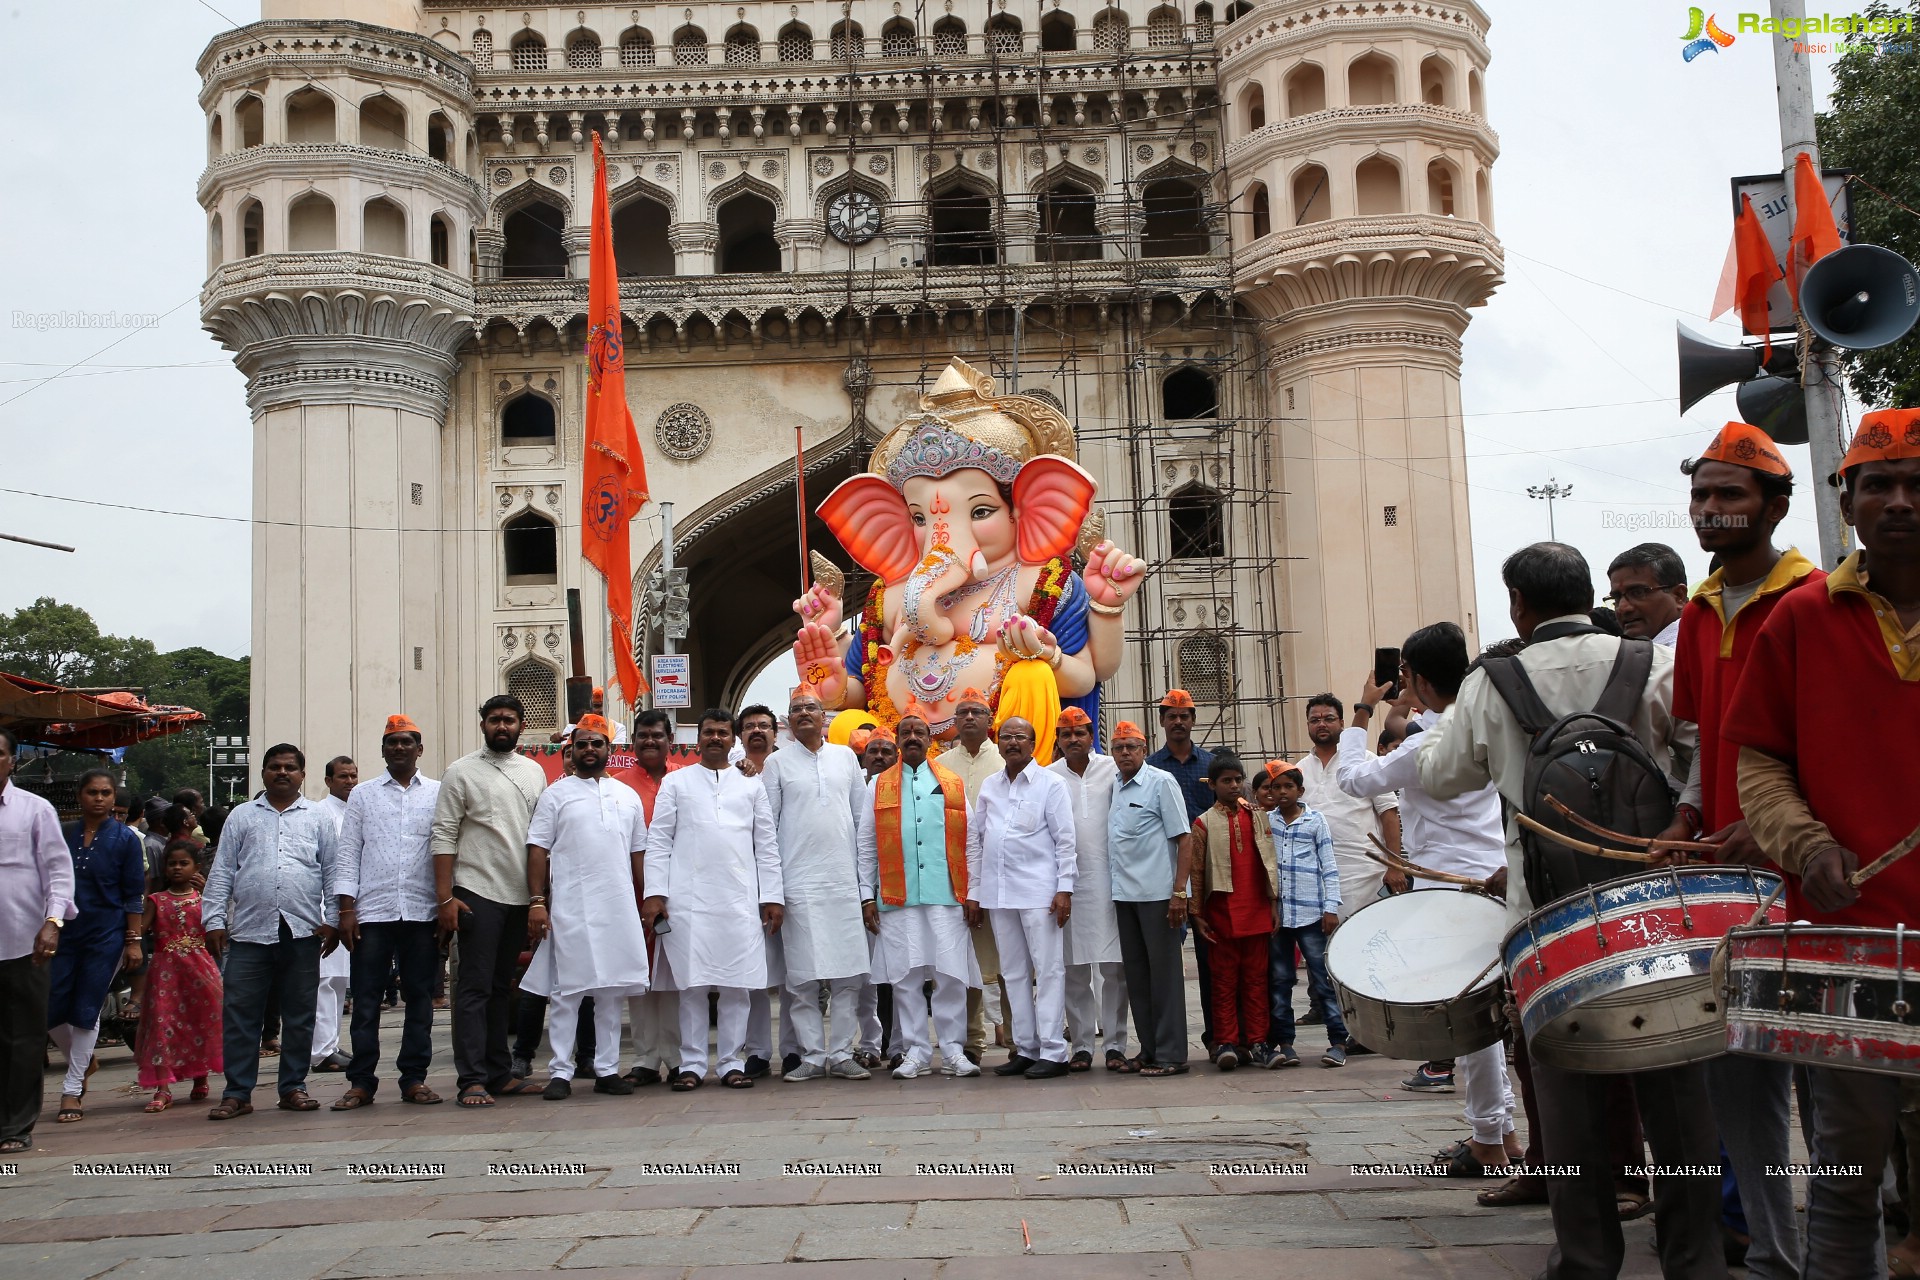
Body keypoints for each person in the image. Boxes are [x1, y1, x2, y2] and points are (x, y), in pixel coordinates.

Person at [1418, 541, 1714, 1280]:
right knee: (1675, 1084)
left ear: (1519, 603)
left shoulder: (1493, 681)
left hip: (1549, 921)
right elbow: (1708, 746)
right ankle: (1694, 1259)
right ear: (1592, 594)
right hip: (1652, 905)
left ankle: (1585, 1260)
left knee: (1568, 1086)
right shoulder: (1651, 664)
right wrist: (1683, 818)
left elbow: (1444, 775)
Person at [1725, 409, 1920, 1280]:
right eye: (1878, 483)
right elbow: (1759, 762)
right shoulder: (1801, 618)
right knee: (1847, 1173)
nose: (1900, 501)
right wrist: (1805, 846)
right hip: (1852, 939)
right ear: (1847, 498)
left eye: (1918, 484)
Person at [1653, 421, 1817, 1278]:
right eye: (1702, 496)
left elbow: (1831, 753)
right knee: (1740, 1083)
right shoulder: (1699, 610)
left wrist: (1773, 825)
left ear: (1776, 506)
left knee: (1828, 1097)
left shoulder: (1815, 601)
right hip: (1726, 888)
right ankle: (1773, 1259)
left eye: (1731, 495)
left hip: (1817, 885)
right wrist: (1686, 819)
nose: (1712, 511)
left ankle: (1832, 1258)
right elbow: (1697, 745)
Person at [1338, 623, 1517, 1170]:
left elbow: (1351, 779)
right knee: (1498, 1016)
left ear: (1413, 677)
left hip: (1449, 892)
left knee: (1475, 1024)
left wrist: (1362, 712)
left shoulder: (1423, 746)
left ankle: (1489, 1136)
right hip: (1503, 880)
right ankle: (1503, 1133)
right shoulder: (1492, 727)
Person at [643, 708, 783, 1090]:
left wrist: (772, 897)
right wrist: (655, 894)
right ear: (698, 738)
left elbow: (766, 845)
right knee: (693, 986)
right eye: (709, 732)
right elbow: (659, 840)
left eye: (723, 732)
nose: (715, 738)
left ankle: (730, 1063)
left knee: (737, 985)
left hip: (739, 899)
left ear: (732, 738)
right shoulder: (678, 783)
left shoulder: (750, 785)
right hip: (689, 901)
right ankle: (690, 1065)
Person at [202, 744, 341, 1120]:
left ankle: (293, 1087)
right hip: (248, 932)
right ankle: (237, 1093)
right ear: (262, 772)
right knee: (240, 1015)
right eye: (275, 767)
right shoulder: (241, 816)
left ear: (302, 774)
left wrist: (334, 919)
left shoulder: (317, 817)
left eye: (290, 768)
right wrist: (213, 920)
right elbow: (223, 871)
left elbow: (332, 871)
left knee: (299, 1015)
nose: (282, 773)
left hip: (302, 930)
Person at [520, 715, 651, 1099]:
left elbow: (638, 852)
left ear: (609, 750)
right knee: (566, 992)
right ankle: (560, 1071)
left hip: (618, 907)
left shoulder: (625, 796)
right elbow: (537, 850)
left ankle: (607, 1069)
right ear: (571, 751)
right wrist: (537, 902)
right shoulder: (556, 795)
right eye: (582, 744)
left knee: (611, 991)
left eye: (597, 743)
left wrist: (645, 900)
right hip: (571, 908)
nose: (589, 750)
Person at [857, 701, 982, 1079]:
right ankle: (914, 1051)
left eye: (919, 732)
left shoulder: (951, 782)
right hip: (898, 896)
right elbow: (865, 843)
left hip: (947, 895)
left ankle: (955, 1050)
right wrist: (866, 894)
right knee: (905, 977)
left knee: (950, 974)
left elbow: (971, 842)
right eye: (906, 732)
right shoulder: (879, 784)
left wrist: (973, 891)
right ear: (896, 741)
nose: (912, 737)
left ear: (930, 740)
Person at [433, 695, 547, 1105]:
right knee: (474, 987)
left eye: (510, 720)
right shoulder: (460, 771)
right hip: (476, 891)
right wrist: (445, 898)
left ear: (521, 725)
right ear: (482, 724)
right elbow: (443, 835)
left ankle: (500, 1073)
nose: (502, 727)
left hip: (520, 896)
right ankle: (472, 1079)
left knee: (502, 987)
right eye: (495, 720)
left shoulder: (534, 772)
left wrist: (539, 897)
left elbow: (541, 838)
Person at [759, 685, 872, 1082]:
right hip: (799, 885)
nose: (804, 712)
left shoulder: (845, 759)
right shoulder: (776, 764)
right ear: (788, 721)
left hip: (843, 884)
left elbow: (863, 826)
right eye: (796, 709)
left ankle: (841, 1053)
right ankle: (811, 1054)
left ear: (825, 717)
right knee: (802, 978)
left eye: (811, 707)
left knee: (848, 976)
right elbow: (766, 831)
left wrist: (866, 889)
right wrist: (772, 892)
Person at [332, 716, 443, 1111]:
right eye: (392, 742)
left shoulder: (438, 792)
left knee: (419, 998)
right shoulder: (362, 795)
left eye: (406, 742)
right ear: (383, 749)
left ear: (419, 749)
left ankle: (414, 1078)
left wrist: (444, 905)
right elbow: (348, 853)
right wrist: (346, 909)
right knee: (365, 1001)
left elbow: (446, 850)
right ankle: (361, 1082)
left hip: (421, 910)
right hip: (372, 913)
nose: (399, 748)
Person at [966, 716, 1077, 1079]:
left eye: (1020, 737)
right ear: (998, 742)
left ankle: (1054, 1051)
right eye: (1007, 737)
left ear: (1033, 743)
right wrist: (977, 892)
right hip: (999, 895)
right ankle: (1026, 1049)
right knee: (1012, 973)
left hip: (1040, 894)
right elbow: (978, 842)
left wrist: (1064, 889)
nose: (1013, 743)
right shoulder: (990, 786)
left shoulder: (1051, 784)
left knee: (1047, 971)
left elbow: (1065, 841)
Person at [48, 768, 146, 1123]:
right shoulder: (63, 834)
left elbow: (134, 894)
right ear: (80, 795)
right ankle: (83, 1058)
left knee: (87, 1006)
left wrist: (133, 941)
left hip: (107, 934)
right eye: (92, 792)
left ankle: (72, 1090)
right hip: (65, 931)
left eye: (106, 793)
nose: (100, 798)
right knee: (51, 1006)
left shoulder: (124, 840)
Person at [1105, 721, 1194, 1076]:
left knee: (1165, 977)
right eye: (1118, 747)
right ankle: (1149, 1048)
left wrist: (1179, 893)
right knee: (1138, 977)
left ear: (1144, 750)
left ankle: (1172, 1054)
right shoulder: (1115, 785)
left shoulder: (1161, 782)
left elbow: (1183, 839)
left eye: (1131, 746)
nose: (1125, 753)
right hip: (1124, 896)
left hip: (1159, 896)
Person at [0, 725, 72, 1153]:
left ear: (11, 759)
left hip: (24, 943)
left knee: (22, 1037)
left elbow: (59, 873)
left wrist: (53, 922)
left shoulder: (34, 809)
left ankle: (14, 1126)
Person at [1048, 706, 1128, 1072]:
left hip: (1110, 883)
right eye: (1067, 734)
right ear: (1058, 741)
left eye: (1080, 732)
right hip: (1065, 886)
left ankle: (1114, 1045)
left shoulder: (1113, 770)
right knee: (1073, 968)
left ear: (1091, 735)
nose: (1074, 739)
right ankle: (1081, 1045)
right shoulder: (1047, 777)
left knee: (1114, 969)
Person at [1188, 756, 1275, 1070]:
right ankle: (1225, 1041)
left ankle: (1259, 1043)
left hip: (1256, 912)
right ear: (1212, 785)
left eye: (1238, 779)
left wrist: (1274, 905)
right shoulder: (1203, 823)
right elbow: (1195, 872)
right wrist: (1196, 913)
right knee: (1223, 982)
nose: (1234, 785)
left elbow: (1270, 866)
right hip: (1220, 915)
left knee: (1256, 981)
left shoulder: (1258, 818)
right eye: (1226, 780)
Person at [1262, 766, 1349, 1068]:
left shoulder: (1315, 821)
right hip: (1279, 917)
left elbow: (1329, 865)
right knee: (1281, 979)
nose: (1282, 792)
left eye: (1288, 787)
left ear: (1300, 791)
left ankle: (1338, 1042)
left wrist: (1331, 908)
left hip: (1312, 914)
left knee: (1322, 979)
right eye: (1277, 788)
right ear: (1270, 793)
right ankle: (1285, 1043)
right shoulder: (1266, 822)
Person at [1146, 689, 1218, 1048]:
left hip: (1208, 874)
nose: (1178, 722)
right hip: (1166, 872)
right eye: (1171, 715)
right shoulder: (1151, 768)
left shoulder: (1213, 765)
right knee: (1166, 960)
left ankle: (1217, 1037)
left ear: (1193, 720)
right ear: (1161, 721)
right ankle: (1167, 1039)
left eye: (1184, 715)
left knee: (1212, 959)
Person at [1296, 694, 1402, 918]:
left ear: (1342, 723)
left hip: (1364, 874)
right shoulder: (1299, 771)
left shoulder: (1364, 760)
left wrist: (1395, 865)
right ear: (1308, 725)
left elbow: (1389, 813)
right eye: (1314, 720)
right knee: (1325, 949)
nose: (1321, 724)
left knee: (1366, 941)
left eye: (1329, 718)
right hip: (1316, 877)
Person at [135, 840, 221, 1112]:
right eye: (172, 863)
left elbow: (219, 927)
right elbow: (139, 932)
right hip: (165, 975)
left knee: (200, 1022)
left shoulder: (204, 898)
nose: (176, 868)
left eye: (183, 863)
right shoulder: (156, 901)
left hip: (200, 971)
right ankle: (163, 1087)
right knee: (163, 1025)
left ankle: (200, 1076)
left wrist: (210, 893)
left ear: (196, 867)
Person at [943, 688, 1007, 1059]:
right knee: (965, 961)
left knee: (1009, 961)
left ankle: (1017, 1040)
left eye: (977, 712)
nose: (969, 718)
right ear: (954, 721)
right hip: (956, 877)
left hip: (1002, 876)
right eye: (963, 712)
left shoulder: (1006, 760)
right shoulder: (941, 765)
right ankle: (971, 1042)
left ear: (989, 721)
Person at [621, 708, 682, 1088]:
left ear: (669, 741)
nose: (649, 742)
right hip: (633, 893)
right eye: (642, 736)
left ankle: (677, 1057)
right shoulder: (619, 785)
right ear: (633, 742)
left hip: (681, 892)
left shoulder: (687, 780)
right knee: (640, 977)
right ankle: (645, 1057)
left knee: (674, 977)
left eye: (657, 735)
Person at [732, 703, 792, 1077]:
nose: (757, 731)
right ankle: (756, 1051)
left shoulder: (792, 766)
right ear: (741, 734)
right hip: (744, 885)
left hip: (791, 879)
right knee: (753, 972)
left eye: (764, 726)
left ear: (776, 732)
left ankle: (793, 1049)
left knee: (791, 973)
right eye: (750, 726)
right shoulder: (731, 773)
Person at [311, 756, 357, 1074]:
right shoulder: (319, 813)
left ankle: (331, 1043)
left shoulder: (357, 811)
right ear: (328, 781)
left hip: (350, 907)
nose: (350, 781)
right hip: (324, 906)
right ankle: (319, 1051)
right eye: (343, 776)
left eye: (354, 776)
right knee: (324, 979)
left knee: (340, 979)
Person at [1606, 542, 1690, 646]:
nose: (1622, 608)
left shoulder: (1693, 652)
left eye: (1637, 593)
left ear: (1679, 596)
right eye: (1616, 598)